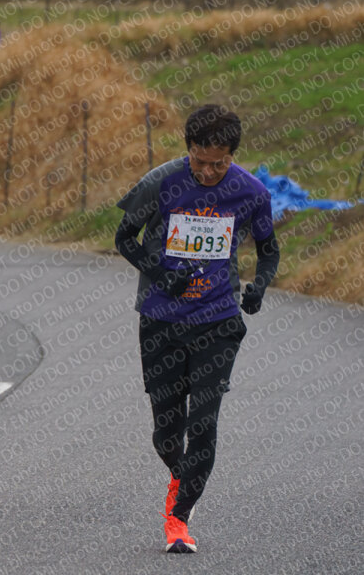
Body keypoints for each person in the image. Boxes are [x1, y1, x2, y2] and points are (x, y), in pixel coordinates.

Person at [115, 104, 279, 553]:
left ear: (232, 155)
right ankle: (182, 476)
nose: (207, 172)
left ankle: (179, 519)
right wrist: (161, 275)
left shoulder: (251, 192)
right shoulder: (162, 182)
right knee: (166, 434)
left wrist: (259, 287)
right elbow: (124, 238)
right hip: (161, 321)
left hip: (218, 322)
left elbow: (269, 250)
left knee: (203, 425)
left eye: (218, 164)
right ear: (188, 148)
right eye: (199, 161)